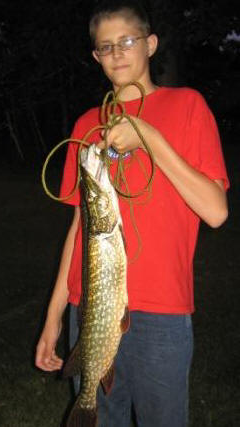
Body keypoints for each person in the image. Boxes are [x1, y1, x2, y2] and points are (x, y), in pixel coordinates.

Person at [35, 1, 229, 426]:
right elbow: (79, 228)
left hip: (161, 312)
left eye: (127, 41)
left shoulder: (188, 106)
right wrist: (53, 319)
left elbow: (216, 212)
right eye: (106, 46)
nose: (117, 52)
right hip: (89, 307)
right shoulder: (88, 124)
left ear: (151, 44)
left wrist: (149, 138)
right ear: (95, 57)